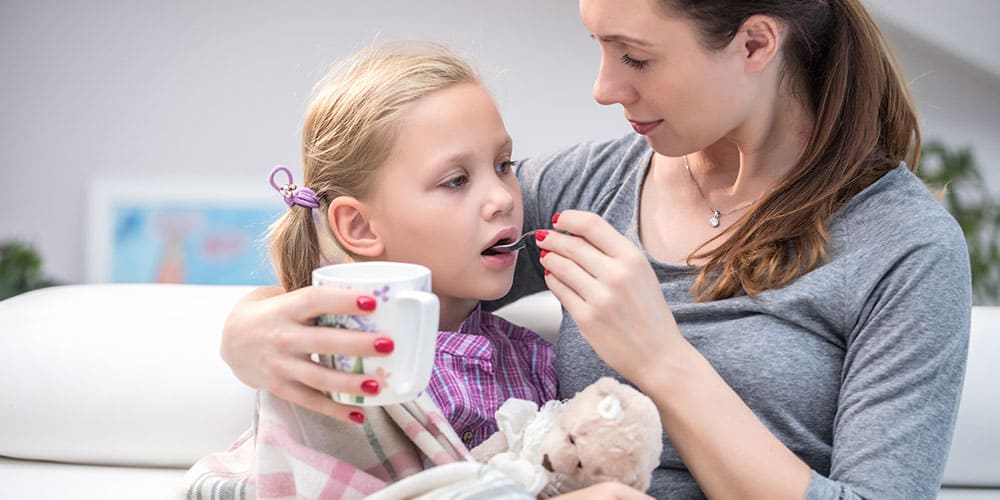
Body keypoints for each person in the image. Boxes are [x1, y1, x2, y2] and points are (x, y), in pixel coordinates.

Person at [220, 1, 972, 499]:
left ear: (754, 42)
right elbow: (378, 265)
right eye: (598, 46)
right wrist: (249, 328)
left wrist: (661, 358)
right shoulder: (585, 188)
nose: (604, 88)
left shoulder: (904, 249)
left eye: (634, 56)